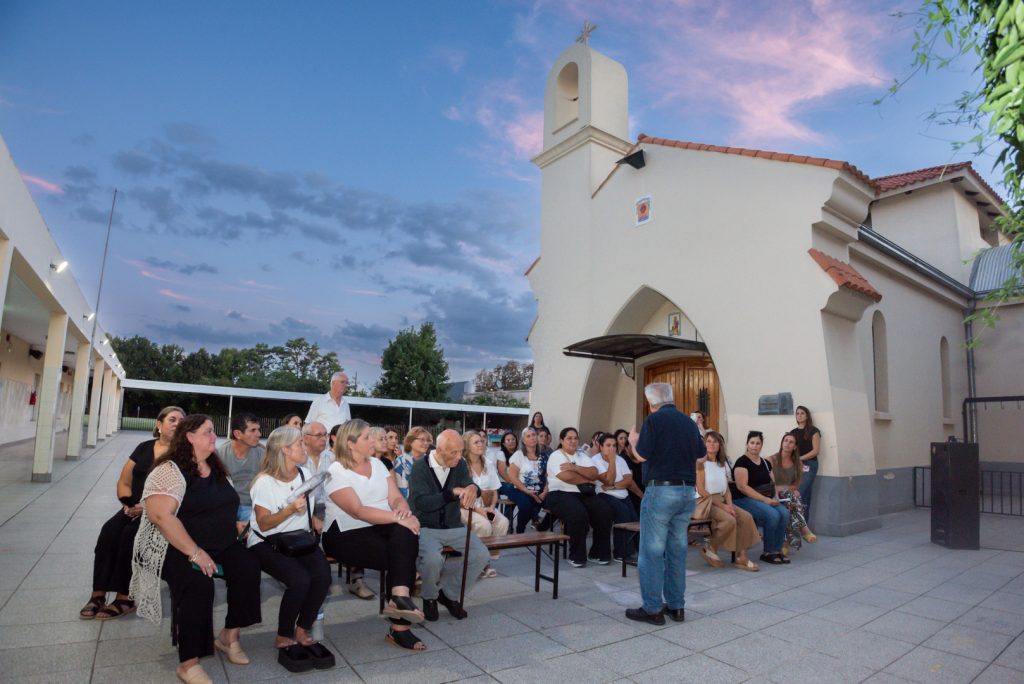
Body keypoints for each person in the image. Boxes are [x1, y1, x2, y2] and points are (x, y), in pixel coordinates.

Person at [131, 414, 262, 684]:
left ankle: (229, 636)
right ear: (189, 437)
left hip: (220, 542)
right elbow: (161, 517)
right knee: (198, 583)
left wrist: (235, 524)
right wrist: (195, 552)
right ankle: (188, 663)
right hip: (174, 547)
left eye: (213, 431)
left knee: (248, 567)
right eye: (208, 432)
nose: (215, 436)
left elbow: (221, 504)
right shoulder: (169, 470)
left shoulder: (215, 466)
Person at [321, 419, 426, 651]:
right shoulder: (335, 471)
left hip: (381, 525)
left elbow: (395, 497)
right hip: (345, 532)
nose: (374, 440)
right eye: (367, 437)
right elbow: (357, 511)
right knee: (402, 556)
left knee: (405, 536)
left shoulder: (378, 464)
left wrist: (403, 511)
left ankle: (399, 597)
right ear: (350, 443)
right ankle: (399, 626)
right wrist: (399, 518)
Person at [80, 406, 184, 621]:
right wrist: (127, 504)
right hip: (132, 507)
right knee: (109, 531)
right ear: (159, 424)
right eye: (172, 419)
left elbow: (182, 491)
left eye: (181, 421)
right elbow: (124, 481)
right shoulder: (143, 448)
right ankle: (98, 593)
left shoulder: (183, 455)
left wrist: (146, 508)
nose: (177, 424)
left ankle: (125, 597)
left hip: (160, 511)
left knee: (130, 536)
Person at [248, 427, 334, 673]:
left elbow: (312, 505)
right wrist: (288, 511)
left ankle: (302, 628)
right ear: (285, 450)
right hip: (266, 541)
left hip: (299, 539)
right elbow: (264, 524)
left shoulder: (304, 473)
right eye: (299, 444)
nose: (304, 447)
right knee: (299, 580)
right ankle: (284, 634)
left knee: (323, 576)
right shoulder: (264, 482)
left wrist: (315, 518)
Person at [626, 383, 705, 625]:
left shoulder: (653, 420)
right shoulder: (689, 423)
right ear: (671, 398)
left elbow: (642, 455)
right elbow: (702, 456)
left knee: (651, 552)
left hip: (661, 491)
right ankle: (676, 606)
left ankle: (652, 609)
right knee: (677, 550)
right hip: (687, 492)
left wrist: (633, 441)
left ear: (651, 403)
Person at [408, 429, 489, 621]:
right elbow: (421, 503)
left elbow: (470, 485)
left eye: (461, 451)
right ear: (439, 450)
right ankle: (429, 597)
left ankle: (449, 594)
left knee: (481, 555)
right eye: (454, 452)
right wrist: (450, 493)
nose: (459, 457)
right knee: (432, 560)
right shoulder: (420, 467)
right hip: (426, 526)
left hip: (453, 526)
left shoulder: (459, 464)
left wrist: (473, 488)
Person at [544, 427, 613, 568]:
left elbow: (594, 473)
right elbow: (567, 477)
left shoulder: (582, 456)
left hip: (584, 494)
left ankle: (597, 553)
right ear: (561, 440)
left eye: (575, 438)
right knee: (578, 514)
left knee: (604, 512)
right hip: (560, 493)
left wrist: (575, 468)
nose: (573, 441)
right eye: (569, 438)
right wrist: (587, 479)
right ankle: (577, 556)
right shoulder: (556, 456)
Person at [695, 431, 759, 572]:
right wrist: (724, 507)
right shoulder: (700, 464)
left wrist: (729, 505)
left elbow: (727, 490)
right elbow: (701, 490)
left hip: (722, 499)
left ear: (720, 445)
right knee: (729, 520)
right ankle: (711, 548)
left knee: (746, 517)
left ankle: (742, 557)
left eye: (715, 442)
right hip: (705, 501)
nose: (712, 444)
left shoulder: (722, 464)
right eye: (709, 441)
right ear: (704, 444)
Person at [732, 431, 790, 566]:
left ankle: (777, 550)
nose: (755, 446)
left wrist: (775, 497)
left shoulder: (765, 462)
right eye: (752, 443)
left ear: (761, 445)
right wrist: (765, 500)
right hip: (742, 499)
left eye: (758, 443)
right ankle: (768, 552)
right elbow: (742, 487)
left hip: (764, 497)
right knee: (773, 515)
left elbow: (772, 483)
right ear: (747, 444)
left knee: (784, 513)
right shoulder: (742, 462)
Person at [462, 430, 511, 573]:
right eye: (476, 442)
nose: (481, 444)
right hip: (466, 506)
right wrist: (479, 510)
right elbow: (461, 495)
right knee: (484, 525)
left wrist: (492, 507)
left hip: (485, 504)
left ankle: (486, 557)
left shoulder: (488, 463)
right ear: (467, 445)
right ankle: (481, 563)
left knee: (503, 522)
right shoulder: (461, 464)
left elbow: (494, 490)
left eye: (482, 441)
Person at [591, 432, 639, 562]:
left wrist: (613, 486)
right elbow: (608, 480)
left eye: (614, 445)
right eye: (608, 445)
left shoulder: (620, 459)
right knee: (623, 514)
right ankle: (621, 553)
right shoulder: (595, 461)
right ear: (601, 446)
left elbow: (628, 480)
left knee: (634, 519)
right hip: (604, 495)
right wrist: (612, 461)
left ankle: (635, 549)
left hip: (621, 494)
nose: (612, 448)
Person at [216, 412, 265, 534]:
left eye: (258, 430)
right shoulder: (220, 454)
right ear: (237, 434)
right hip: (227, 506)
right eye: (253, 430)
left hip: (252, 506)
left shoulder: (262, 454)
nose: (259, 434)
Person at [770, 433, 817, 553]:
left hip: (787, 496)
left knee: (789, 504)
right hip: (771, 494)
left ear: (795, 447)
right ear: (782, 443)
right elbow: (770, 484)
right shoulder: (771, 460)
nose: (787, 444)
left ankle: (784, 544)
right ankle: (804, 530)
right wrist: (785, 488)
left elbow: (796, 485)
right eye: (785, 440)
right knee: (792, 499)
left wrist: (786, 489)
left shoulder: (797, 463)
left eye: (791, 442)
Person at [506, 427, 547, 533]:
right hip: (520, 489)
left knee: (547, 503)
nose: (532, 438)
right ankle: (520, 529)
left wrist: (544, 492)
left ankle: (540, 527)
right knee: (526, 505)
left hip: (540, 490)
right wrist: (527, 491)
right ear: (524, 441)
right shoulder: (518, 455)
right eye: (528, 436)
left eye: (533, 435)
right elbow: (512, 477)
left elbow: (549, 477)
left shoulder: (544, 456)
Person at [789, 405, 821, 524]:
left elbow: (816, 451)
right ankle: (804, 527)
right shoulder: (793, 432)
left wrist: (800, 458)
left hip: (809, 465)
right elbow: (790, 449)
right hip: (795, 465)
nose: (799, 415)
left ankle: (797, 526)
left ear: (807, 416)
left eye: (802, 413)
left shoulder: (814, 431)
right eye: (797, 413)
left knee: (799, 493)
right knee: (805, 496)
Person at [393, 427, 432, 498]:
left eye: (428, 440)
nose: (426, 443)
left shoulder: (431, 461)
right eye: (422, 440)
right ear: (410, 441)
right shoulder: (401, 462)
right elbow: (401, 491)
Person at [616, 428, 646, 514]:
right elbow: (630, 482)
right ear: (626, 448)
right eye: (632, 446)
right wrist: (642, 496)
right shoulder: (624, 459)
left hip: (645, 492)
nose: (635, 448)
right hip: (633, 495)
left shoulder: (641, 458)